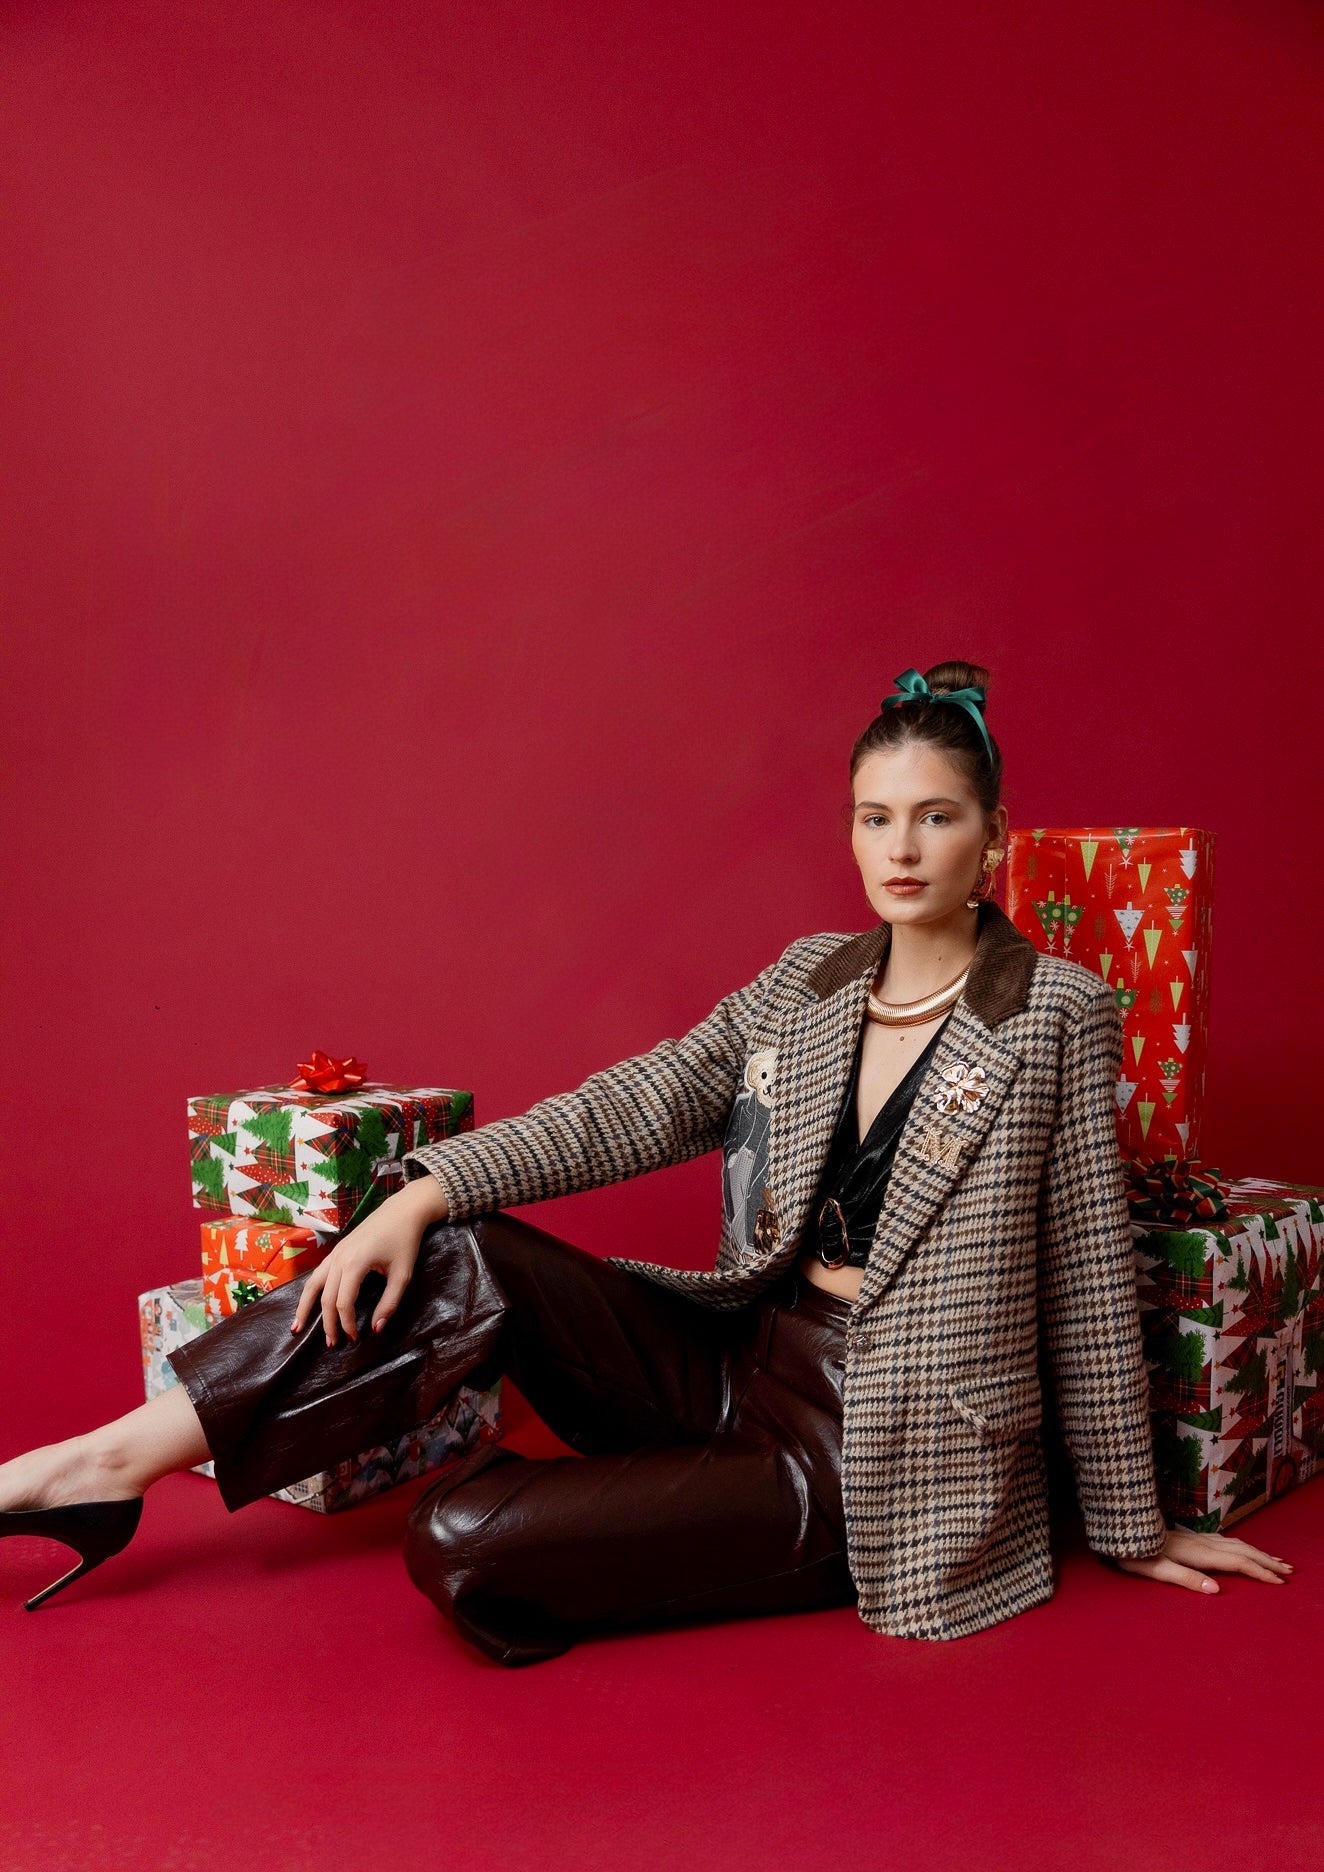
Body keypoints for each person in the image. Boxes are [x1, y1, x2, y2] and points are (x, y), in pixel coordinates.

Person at [0, 660, 1293, 1662]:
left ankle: (614, 1514)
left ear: (993, 836)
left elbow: (1085, 1275)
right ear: (849, 831)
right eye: (875, 818)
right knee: (464, 1247)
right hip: (737, 1361)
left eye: (936, 818)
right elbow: (635, 1102)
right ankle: (104, 1465)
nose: (901, 851)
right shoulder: (808, 981)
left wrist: (1133, 1528)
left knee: (456, 1540)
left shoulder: (1054, 1011)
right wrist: (427, 1189)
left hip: (880, 1454)